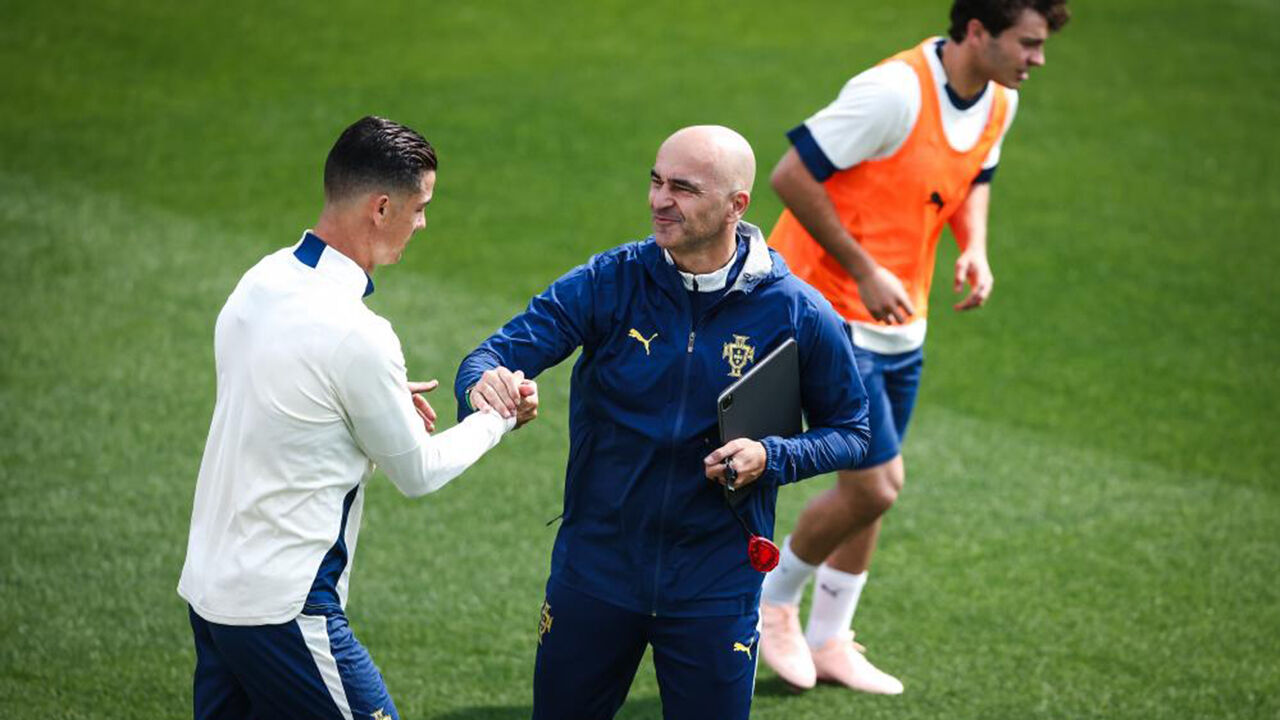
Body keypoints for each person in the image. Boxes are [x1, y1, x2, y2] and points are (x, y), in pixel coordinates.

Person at [454, 125, 870, 720]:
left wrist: (771, 457)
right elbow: (488, 357)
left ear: (737, 206)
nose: (659, 199)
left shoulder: (798, 310)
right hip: (596, 571)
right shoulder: (610, 281)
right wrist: (482, 386)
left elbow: (853, 429)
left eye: (683, 188)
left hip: (716, 582)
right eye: (655, 180)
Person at [177, 115, 537, 720]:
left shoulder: (260, 280)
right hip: (287, 609)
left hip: (211, 595)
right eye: (419, 207)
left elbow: (285, 400)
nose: (423, 223)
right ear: (380, 207)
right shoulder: (358, 334)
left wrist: (373, 401)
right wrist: (497, 418)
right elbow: (418, 473)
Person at [758, 0, 1071, 695]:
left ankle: (831, 638)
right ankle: (772, 602)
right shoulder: (893, 93)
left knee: (869, 495)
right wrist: (864, 268)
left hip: (903, 318)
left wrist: (977, 247)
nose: (1038, 59)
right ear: (978, 32)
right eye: (1028, 43)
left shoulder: (998, 101)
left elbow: (972, 178)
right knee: (877, 483)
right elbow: (790, 176)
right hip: (825, 310)